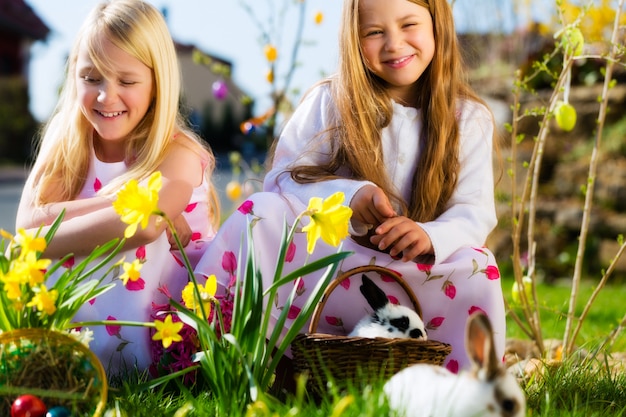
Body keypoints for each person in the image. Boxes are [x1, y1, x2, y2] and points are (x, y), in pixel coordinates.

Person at [195, 0, 505, 380]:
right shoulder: (330, 101)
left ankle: (461, 383)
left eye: (409, 24)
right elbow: (284, 179)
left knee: (479, 267)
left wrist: (428, 235)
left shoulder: (468, 118)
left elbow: (474, 212)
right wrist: (348, 198)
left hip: (415, 280)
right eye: (374, 32)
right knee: (262, 212)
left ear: (437, 23)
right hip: (331, 268)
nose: (394, 44)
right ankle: (236, 353)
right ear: (352, 38)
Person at [15, 0, 219, 377]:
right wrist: (119, 203)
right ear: (73, 75)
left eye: (126, 81)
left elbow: (144, 225)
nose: (107, 96)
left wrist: (54, 227)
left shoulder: (178, 152)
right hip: (90, 325)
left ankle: (114, 364)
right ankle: (73, 358)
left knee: (134, 239)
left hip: (162, 335)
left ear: (157, 84)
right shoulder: (67, 143)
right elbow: (26, 226)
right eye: (91, 78)